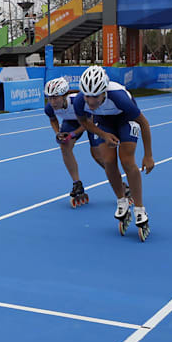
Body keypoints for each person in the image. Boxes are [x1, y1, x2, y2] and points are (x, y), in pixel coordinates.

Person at [73, 65, 155, 242]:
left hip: (127, 119)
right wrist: (103, 135)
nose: (91, 101)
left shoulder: (118, 97)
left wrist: (148, 155)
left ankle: (140, 208)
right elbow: (83, 121)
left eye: (95, 97)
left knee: (126, 161)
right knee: (108, 161)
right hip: (104, 122)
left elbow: (144, 123)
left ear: (104, 92)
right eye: (87, 96)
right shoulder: (81, 100)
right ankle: (122, 200)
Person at [43, 77, 106, 208]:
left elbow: (87, 124)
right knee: (64, 146)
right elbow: (53, 120)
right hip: (71, 121)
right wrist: (58, 133)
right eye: (50, 98)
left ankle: (119, 182)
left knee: (97, 156)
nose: (52, 102)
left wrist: (72, 134)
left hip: (89, 121)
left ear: (64, 95)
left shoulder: (77, 102)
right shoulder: (49, 108)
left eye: (56, 98)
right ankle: (77, 183)